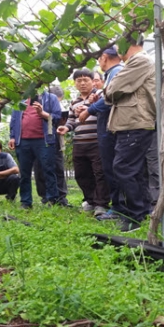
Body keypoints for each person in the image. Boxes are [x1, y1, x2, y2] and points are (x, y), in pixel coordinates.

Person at [104, 38, 156, 232]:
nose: (118, 51)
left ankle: (135, 214)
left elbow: (113, 89)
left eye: (119, 46)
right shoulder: (136, 63)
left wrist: (109, 90)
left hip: (135, 121)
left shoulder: (139, 61)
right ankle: (142, 211)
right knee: (135, 169)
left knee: (123, 167)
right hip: (131, 121)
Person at [79, 46, 124, 221]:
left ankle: (120, 207)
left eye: (99, 59)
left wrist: (89, 109)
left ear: (104, 57)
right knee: (110, 169)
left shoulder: (117, 72)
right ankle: (118, 206)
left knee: (113, 169)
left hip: (109, 128)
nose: (99, 62)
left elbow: (109, 100)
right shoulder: (112, 74)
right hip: (105, 127)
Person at [58, 69, 110, 217]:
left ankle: (101, 204)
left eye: (85, 80)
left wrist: (89, 108)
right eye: (78, 80)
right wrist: (66, 128)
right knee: (82, 174)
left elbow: (106, 111)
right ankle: (91, 200)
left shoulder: (99, 96)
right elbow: (72, 120)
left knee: (100, 173)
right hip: (79, 143)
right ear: (75, 84)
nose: (82, 83)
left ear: (92, 81)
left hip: (97, 141)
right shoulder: (74, 101)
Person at [9, 90, 63, 209]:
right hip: (22, 141)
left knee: (48, 170)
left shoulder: (50, 97)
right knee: (24, 173)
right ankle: (26, 201)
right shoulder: (21, 101)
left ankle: (52, 199)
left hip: (44, 140)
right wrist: (12, 137)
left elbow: (56, 118)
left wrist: (42, 113)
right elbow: (14, 120)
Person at [33, 85, 69, 205]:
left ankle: (59, 196)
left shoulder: (55, 104)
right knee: (40, 166)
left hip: (56, 135)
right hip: (43, 136)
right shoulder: (38, 101)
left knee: (56, 165)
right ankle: (46, 196)